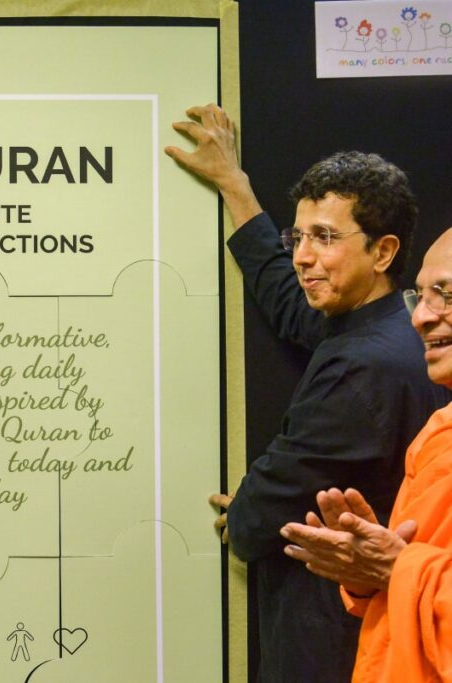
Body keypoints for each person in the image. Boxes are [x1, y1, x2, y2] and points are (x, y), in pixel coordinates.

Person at [164, 104, 449, 682]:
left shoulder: (362, 370)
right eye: (298, 237)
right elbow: (293, 305)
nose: (302, 256)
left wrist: (247, 507)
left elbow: (252, 526)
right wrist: (234, 186)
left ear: (383, 252)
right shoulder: (387, 324)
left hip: (332, 647)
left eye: (324, 237)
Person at [281, 227, 452, 682]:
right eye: (420, 297)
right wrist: (364, 570)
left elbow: (406, 573)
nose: (421, 318)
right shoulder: (438, 432)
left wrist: (398, 568)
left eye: (447, 296)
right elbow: (397, 596)